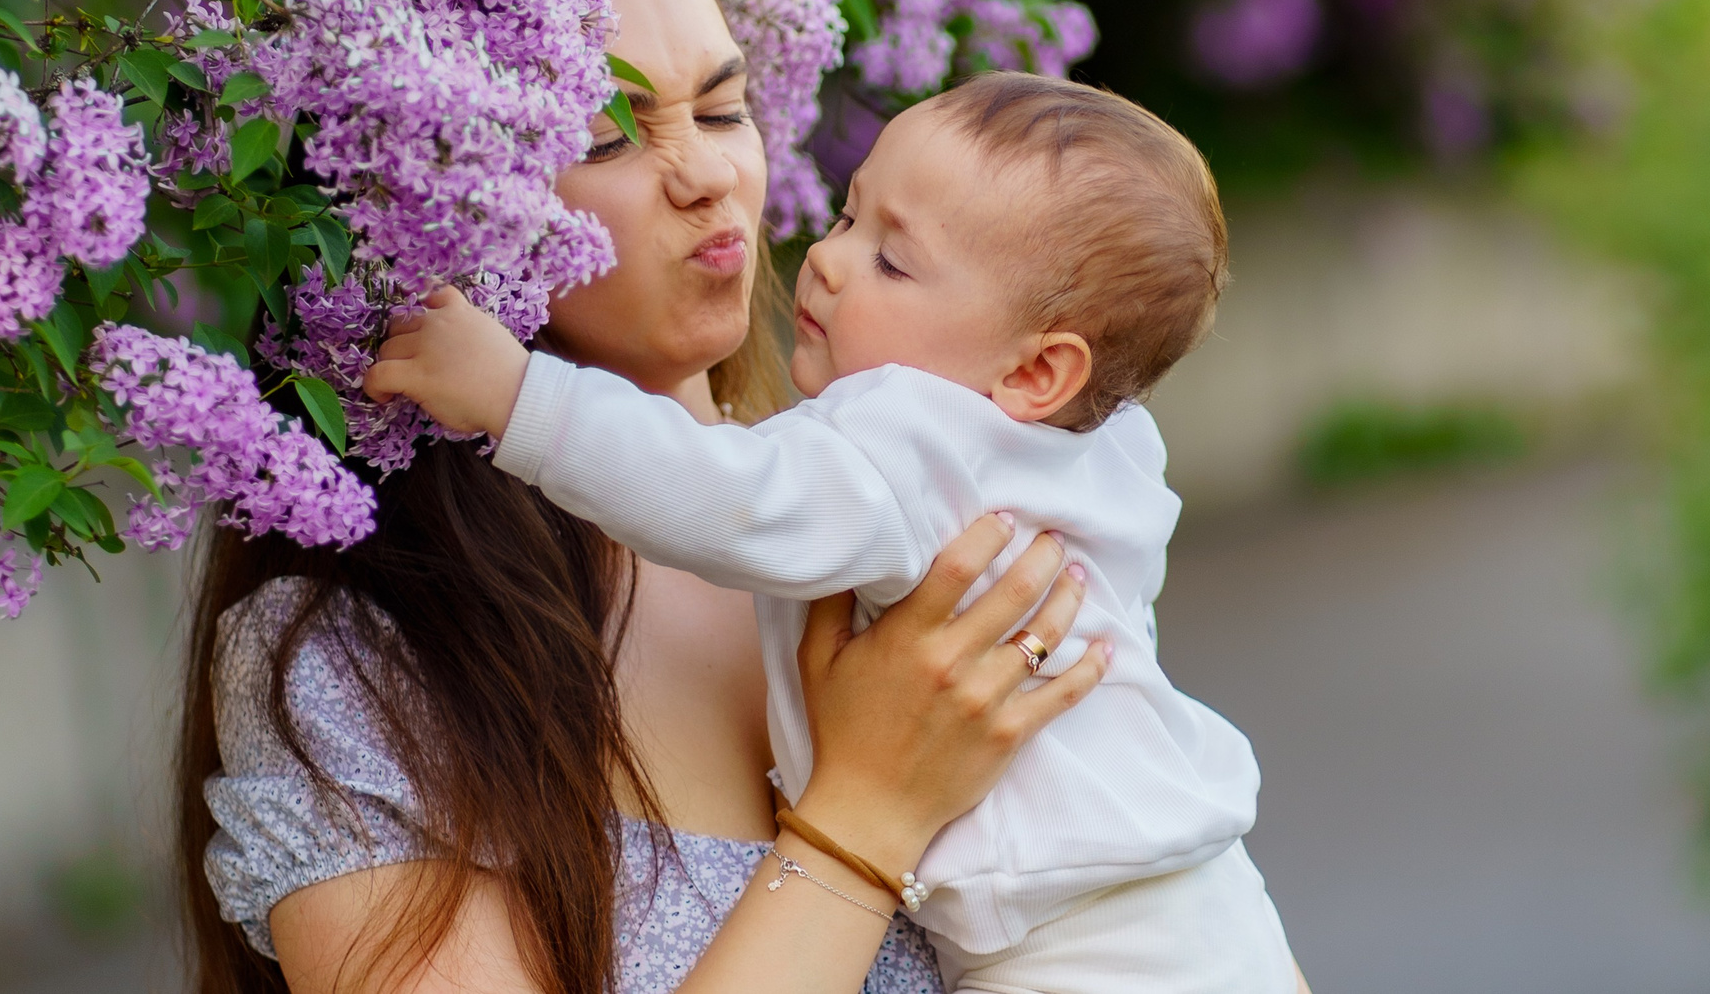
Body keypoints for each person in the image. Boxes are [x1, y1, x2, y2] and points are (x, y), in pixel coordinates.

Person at [176, 0, 1114, 994]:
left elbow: (1166, 909)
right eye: (607, 134)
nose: (710, 174)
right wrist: (863, 818)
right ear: (433, 198)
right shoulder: (372, 662)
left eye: (723, 112)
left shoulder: (910, 530)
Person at [368, 74, 1298, 994]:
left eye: (893, 261)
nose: (828, 258)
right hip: (1204, 899)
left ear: (1039, 370)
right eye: (850, 217)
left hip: (1079, 950)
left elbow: (727, 497)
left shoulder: (912, 435)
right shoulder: (1110, 445)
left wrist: (515, 395)